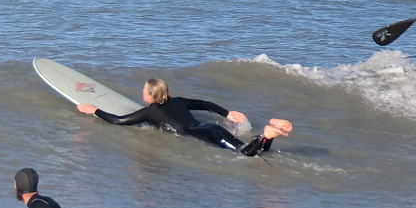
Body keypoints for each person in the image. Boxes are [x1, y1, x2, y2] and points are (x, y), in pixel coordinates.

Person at [77, 78, 292, 157]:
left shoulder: (150, 112)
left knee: (245, 155)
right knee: (250, 150)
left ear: (151, 96)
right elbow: (204, 104)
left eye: (144, 90)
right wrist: (227, 113)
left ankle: (266, 133)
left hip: (204, 134)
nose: (141, 93)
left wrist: (94, 110)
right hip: (208, 127)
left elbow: (119, 121)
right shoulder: (178, 100)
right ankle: (270, 135)